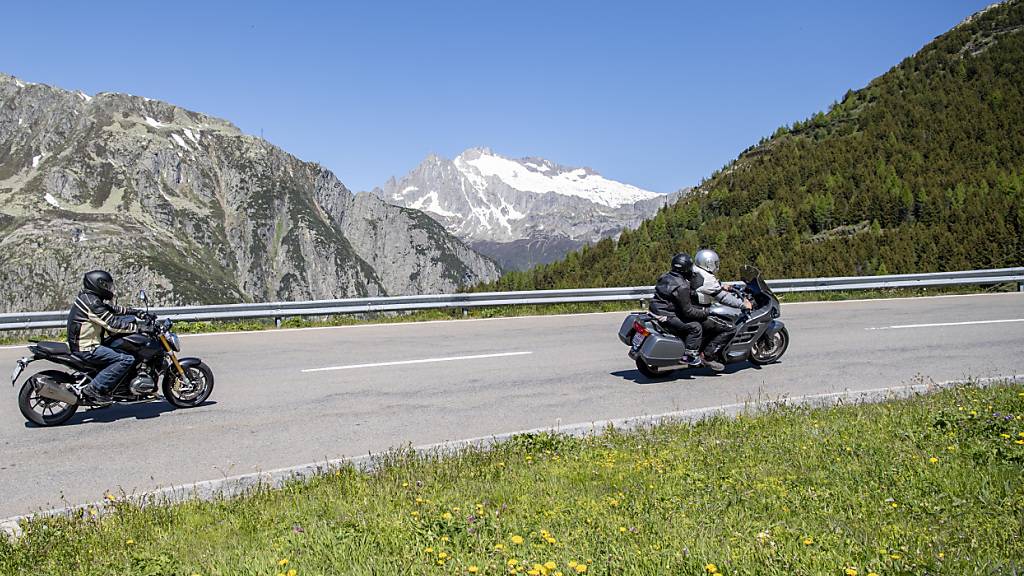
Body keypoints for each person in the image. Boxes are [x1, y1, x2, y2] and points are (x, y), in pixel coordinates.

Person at [67, 270, 147, 402]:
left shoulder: (90, 298)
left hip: (83, 343)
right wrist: (139, 328)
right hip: (87, 348)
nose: (109, 289)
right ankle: (94, 389)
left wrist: (134, 311)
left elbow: (110, 309)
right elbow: (113, 324)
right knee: (126, 359)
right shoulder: (92, 303)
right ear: (99, 285)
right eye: (107, 286)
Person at [692, 249, 753, 371]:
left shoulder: (694, 270)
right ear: (708, 263)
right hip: (700, 312)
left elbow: (705, 286)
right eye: (715, 262)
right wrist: (743, 304)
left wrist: (721, 285)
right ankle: (708, 356)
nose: (716, 265)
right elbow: (723, 298)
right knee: (730, 328)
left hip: (690, 309)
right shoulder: (707, 279)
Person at [649, 253, 708, 367]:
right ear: (686, 268)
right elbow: (688, 311)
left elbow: (671, 295)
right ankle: (689, 356)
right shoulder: (682, 286)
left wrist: (693, 294)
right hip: (666, 315)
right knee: (695, 327)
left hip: (654, 309)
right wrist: (705, 312)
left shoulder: (665, 276)